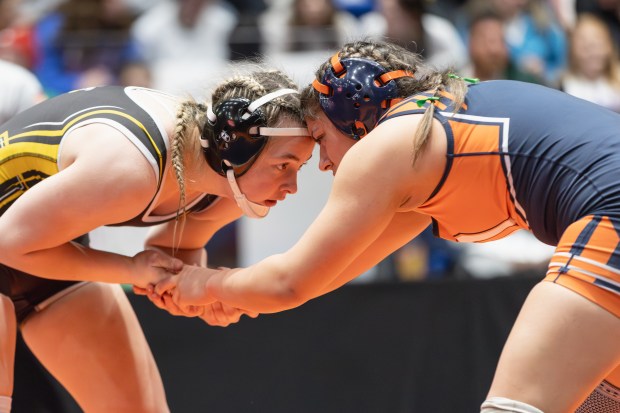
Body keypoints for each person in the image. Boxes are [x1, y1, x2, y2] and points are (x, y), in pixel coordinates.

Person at [153, 40, 620, 413]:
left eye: (319, 139)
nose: (323, 164)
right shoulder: (433, 133)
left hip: (612, 213)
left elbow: (289, 282)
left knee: (517, 408)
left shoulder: (391, 145)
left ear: (354, 115)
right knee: (599, 402)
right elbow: (321, 277)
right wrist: (228, 294)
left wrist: (204, 282)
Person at [0, 69, 314, 413]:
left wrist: (202, 292)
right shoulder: (132, 166)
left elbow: (171, 255)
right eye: (284, 165)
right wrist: (133, 270)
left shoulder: (228, 187)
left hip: (36, 241)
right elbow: (8, 243)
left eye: (299, 167)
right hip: (15, 239)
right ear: (236, 147)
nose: (292, 186)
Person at [560, 13, 620, 113]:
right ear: (572, 50)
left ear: (609, 46)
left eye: (598, 43)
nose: (592, 52)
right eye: (585, 46)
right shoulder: (564, 88)